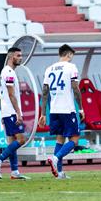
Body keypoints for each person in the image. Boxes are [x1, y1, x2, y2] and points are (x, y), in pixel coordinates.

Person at [38, 44, 84, 179]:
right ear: (69, 54)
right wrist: (80, 108)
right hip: (67, 109)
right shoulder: (71, 67)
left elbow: (45, 92)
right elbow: (76, 89)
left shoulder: (49, 69)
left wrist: (43, 113)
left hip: (54, 110)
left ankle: (58, 173)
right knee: (74, 140)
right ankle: (55, 158)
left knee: (60, 139)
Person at [0, 47, 28, 180]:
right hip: (11, 112)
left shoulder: (6, 71)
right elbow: (11, 95)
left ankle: (14, 172)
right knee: (21, 139)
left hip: (7, 111)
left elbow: (4, 95)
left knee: (12, 141)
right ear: (12, 57)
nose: (20, 58)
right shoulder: (9, 72)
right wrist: (18, 113)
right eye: (18, 55)